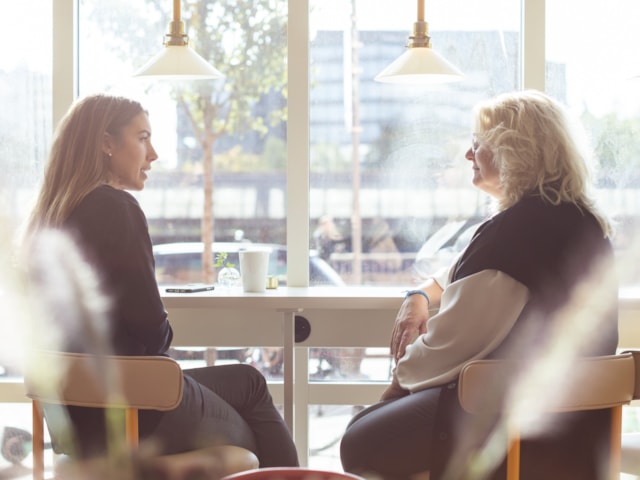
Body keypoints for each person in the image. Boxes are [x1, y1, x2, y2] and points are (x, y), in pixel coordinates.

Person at [339, 90, 619, 480]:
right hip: (576, 430)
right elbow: (467, 270)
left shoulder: (513, 232)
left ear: (514, 152)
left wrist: (399, 379)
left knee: (357, 440)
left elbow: (448, 347)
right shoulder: (581, 222)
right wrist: (420, 294)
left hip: (508, 433)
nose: (469, 156)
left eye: (478, 145)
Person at [23, 93, 299, 466]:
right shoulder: (117, 208)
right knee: (253, 435)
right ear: (106, 143)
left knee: (249, 382)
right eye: (142, 138)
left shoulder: (48, 218)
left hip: (72, 414)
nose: (152, 154)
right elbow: (154, 334)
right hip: (130, 409)